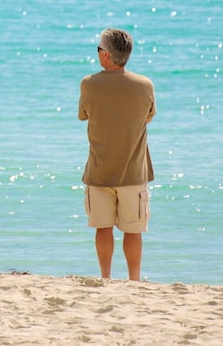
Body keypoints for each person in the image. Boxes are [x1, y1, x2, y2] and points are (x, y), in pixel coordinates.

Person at [78, 27, 156, 281]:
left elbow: (83, 115)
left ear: (106, 55)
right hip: (134, 171)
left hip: (100, 171)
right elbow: (148, 117)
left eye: (98, 49)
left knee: (103, 228)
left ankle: (106, 278)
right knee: (133, 231)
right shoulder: (145, 85)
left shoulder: (89, 83)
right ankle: (134, 280)